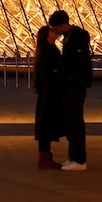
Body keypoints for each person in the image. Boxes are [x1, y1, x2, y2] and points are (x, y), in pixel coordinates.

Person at [50, 10, 92, 171]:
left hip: (76, 84)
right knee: (71, 120)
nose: (55, 31)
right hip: (72, 84)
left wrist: (67, 77)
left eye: (55, 28)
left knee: (75, 121)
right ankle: (73, 157)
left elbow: (77, 63)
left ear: (63, 25)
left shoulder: (76, 37)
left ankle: (80, 159)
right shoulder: (71, 36)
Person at [32, 25, 64, 169]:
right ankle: (44, 159)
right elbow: (50, 71)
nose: (55, 32)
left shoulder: (43, 49)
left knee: (45, 125)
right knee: (47, 125)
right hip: (50, 92)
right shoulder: (49, 49)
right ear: (46, 35)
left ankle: (44, 157)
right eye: (52, 31)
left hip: (46, 92)